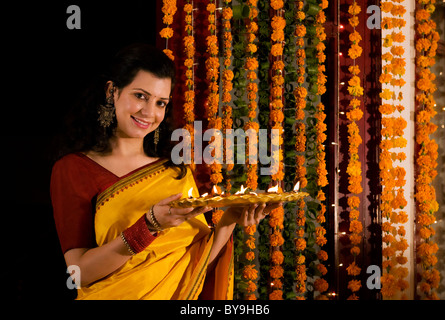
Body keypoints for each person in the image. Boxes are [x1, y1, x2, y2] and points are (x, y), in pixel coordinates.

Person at [50, 43, 280, 300]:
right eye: (140, 96)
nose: (149, 112)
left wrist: (228, 223)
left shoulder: (175, 171)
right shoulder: (75, 169)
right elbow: (79, 273)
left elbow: (194, 268)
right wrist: (147, 227)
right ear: (111, 91)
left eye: (160, 102)